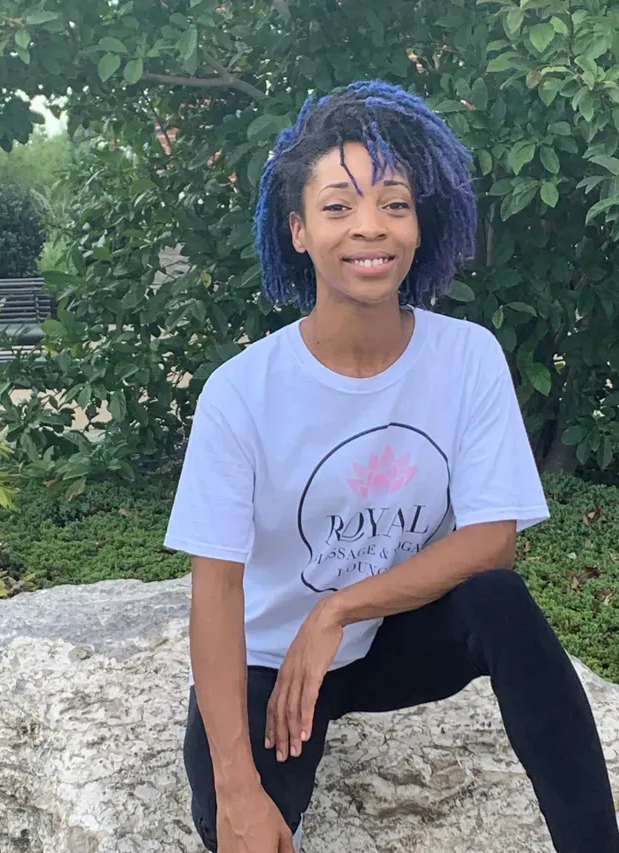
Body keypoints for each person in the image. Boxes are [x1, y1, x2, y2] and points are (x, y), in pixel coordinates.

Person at [164, 80, 619, 853]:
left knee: (498, 601)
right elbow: (218, 589)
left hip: (395, 641)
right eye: (338, 206)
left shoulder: (466, 357)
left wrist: (337, 609)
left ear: (418, 226)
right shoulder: (242, 392)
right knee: (241, 827)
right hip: (274, 668)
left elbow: (491, 542)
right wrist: (238, 786)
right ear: (299, 230)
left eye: (394, 204)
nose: (369, 227)